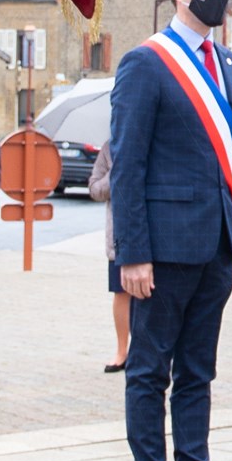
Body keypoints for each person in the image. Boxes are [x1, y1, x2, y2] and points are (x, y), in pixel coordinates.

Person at [107, 0, 232, 461]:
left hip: (217, 245)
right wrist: (133, 253)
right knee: (150, 371)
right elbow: (128, 165)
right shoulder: (146, 63)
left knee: (198, 372)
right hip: (163, 249)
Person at [88, 141, 130, 373]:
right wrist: (117, 171)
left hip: (153, 233)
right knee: (121, 292)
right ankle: (122, 350)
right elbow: (95, 189)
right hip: (118, 235)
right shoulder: (109, 148)